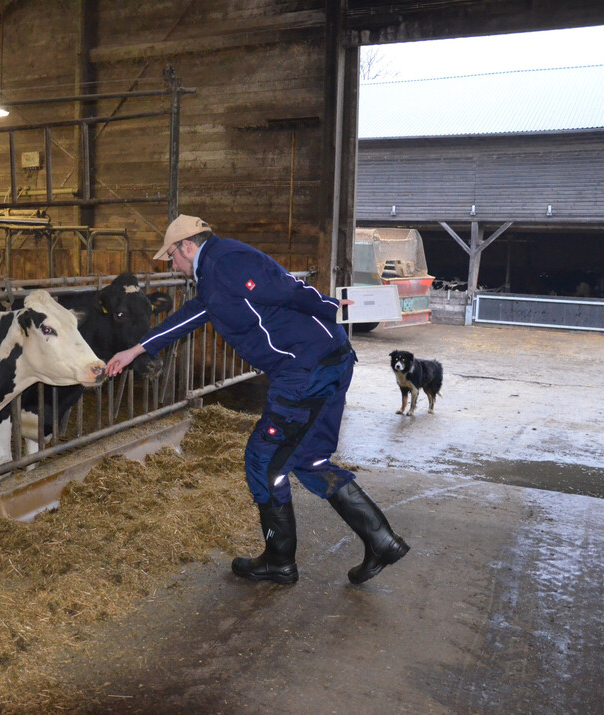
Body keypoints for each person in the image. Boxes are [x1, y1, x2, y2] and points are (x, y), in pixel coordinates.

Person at [107, 214, 409, 585]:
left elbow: (284, 289)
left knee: (263, 461)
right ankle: (381, 540)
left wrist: (335, 307)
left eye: (171, 256)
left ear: (187, 246)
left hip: (304, 372)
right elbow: (192, 315)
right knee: (310, 459)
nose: (172, 264)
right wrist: (136, 350)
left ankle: (279, 560)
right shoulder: (214, 277)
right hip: (327, 362)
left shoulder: (227, 261)